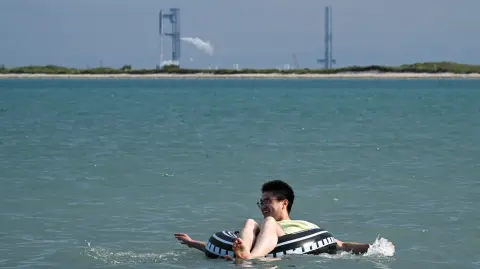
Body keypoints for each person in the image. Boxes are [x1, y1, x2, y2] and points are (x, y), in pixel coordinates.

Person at [174, 180, 385, 260]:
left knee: (269, 223)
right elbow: (224, 245)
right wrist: (194, 243)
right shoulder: (258, 229)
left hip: (281, 243)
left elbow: (340, 244)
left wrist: (373, 247)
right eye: (261, 202)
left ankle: (248, 259)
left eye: (267, 201)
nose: (263, 206)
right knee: (249, 222)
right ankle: (247, 256)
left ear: (284, 203)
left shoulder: (306, 226)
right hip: (257, 250)